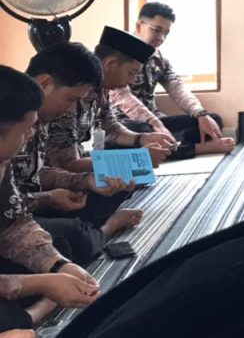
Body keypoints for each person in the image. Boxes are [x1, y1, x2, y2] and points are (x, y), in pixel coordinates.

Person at [16, 43, 143, 265]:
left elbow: (33, 171)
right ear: (44, 83)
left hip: (28, 203)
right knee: (73, 234)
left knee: (112, 188)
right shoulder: (11, 120)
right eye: (70, 100)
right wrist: (49, 198)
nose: (69, 110)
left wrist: (84, 181)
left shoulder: (40, 117)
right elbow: (8, 206)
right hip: (13, 216)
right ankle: (105, 229)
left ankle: (88, 231)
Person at [0, 66, 101, 332]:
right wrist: (39, 284)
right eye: (25, 129)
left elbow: (14, 224)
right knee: (8, 317)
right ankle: (30, 315)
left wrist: (58, 266)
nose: (31, 134)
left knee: (61, 249)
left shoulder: (2, 160)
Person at [45, 27, 175, 227]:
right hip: (56, 180)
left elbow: (112, 127)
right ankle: (97, 227)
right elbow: (67, 164)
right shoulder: (68, 99)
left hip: (75, 164)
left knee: (130, 176)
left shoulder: (101, 90)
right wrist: (135, 160)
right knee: (124, 178)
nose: (131, 81)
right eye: (131, 73)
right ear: (110, 64)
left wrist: (142, 139)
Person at [111, 2, 234, 159]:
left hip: (156, 121)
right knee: (140, 132)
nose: (161, 38)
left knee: (213, 120)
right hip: (126, 125)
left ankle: (173, 144)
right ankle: (196, 148)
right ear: (139, 25)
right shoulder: (119, 55)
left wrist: (200, 114)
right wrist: (155, 124)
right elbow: (123, 97)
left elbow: (177, 87)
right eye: (156, 30)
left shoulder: (158, 59)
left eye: (166, 33)